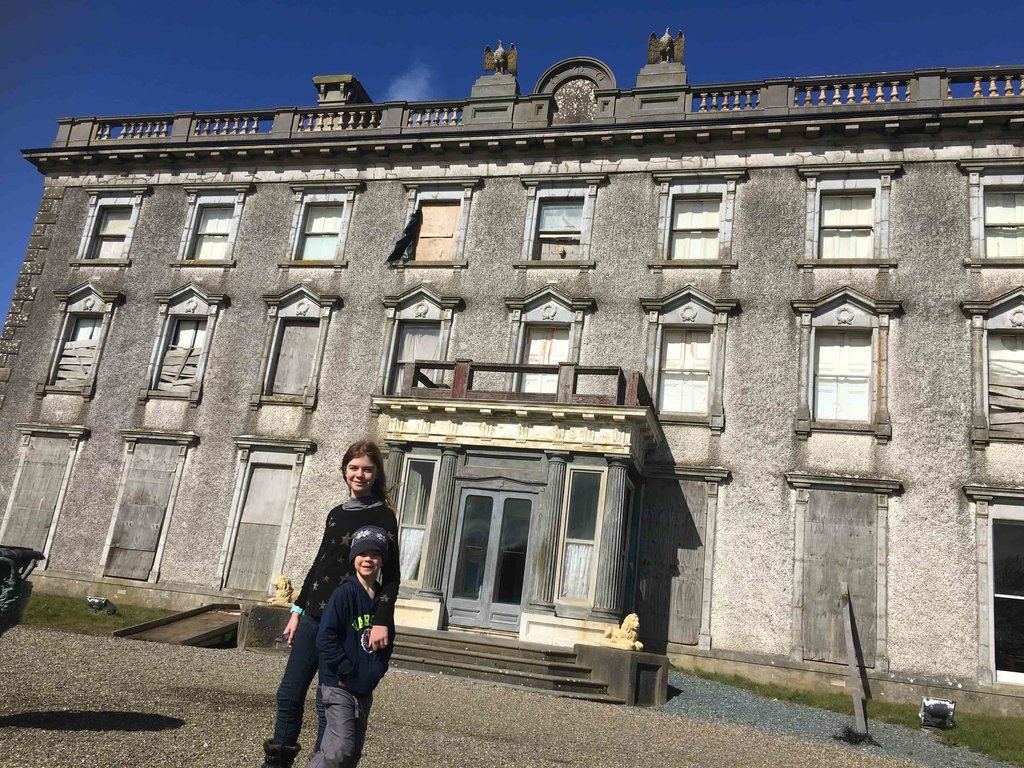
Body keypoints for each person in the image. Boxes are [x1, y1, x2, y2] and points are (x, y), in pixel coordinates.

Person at [261, 441, 400, 768]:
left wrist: (381, 618)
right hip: (312, 616)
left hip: (346, 623)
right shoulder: (336, 513)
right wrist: (297, 610)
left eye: (367, 468)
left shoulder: (384, 516)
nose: (360, 474)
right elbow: (319, 563)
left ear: (376, 472)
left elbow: (391, 575)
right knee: (289, 694)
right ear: (344, 470)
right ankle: (277, 762)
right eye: (354, 468)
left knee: (329, 704)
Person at [307, 525, 395, 767]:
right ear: (354, 558)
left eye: (375, 555)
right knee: (340, 749)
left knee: (351, 754)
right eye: (363, 554)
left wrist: (376, 671)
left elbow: (388, 641)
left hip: (364, 687)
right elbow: (325, 636)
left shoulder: (382, 602)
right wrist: (344, 669)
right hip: (339, 684)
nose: (368, 559)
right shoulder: (344, 594)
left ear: (381, 561)